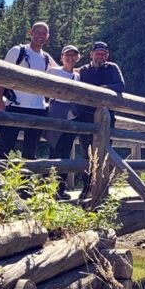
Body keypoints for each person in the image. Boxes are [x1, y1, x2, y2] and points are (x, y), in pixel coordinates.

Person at [0, 21, 58, 160]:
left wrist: (84, 69)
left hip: (38, 108)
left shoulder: (46, 57)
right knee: (5, 147)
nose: (40, 36)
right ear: (31, 33)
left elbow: (62, 71)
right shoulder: (18, 51)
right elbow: (2, 75)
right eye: (37, 32)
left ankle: (26, 181)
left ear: (47, 36)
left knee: (30, 152)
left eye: (43, 33)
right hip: (15, 105)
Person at [75, 41, 125, 195]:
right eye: (98, 53)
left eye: (103, 54)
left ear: (107, 56)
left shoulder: (112, 68)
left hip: (106, 117)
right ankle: (87, 187)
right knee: (86, 153)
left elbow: (121, 86)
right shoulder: (83, 71)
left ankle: (103, 188)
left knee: (105, 152)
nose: (100, 56)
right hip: (85, 117)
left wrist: (105, 88)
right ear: (91, 54)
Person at [44, 44, 81, 200]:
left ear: (77, 58)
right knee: (54, 150)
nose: (70, 58)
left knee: (66, 153)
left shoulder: (78, 76)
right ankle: (49, 189)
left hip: (71, 115)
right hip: (56, 112)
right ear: (61, 58)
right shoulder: (53, 71)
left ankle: (60, 189)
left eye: (73, 55)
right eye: (67, 55)